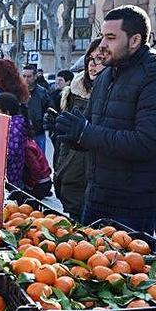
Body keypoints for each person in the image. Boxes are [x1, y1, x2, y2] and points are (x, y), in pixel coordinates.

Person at [51, 5, 156, 233]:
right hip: (94, 198)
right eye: (102, 36)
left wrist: (84, 132)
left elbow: (147, 143)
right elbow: (93, 132)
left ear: (135, 40)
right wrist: (70, 134)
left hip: (131, 209)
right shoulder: (106, 75)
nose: (102, 44)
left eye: (111, 37)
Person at [52, 40, 105, 221]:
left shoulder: (115, 94)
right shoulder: (74, 93)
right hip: (72, 176)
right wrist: (60, 168)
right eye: (90, 58)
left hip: (101, 180)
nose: (92, 64)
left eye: (99, 59)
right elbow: (64, 142)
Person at [22, 64, 51, 153]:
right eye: (24, 76)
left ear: (35, 77)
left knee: (40, 161)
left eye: (29, 76)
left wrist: (45, 121)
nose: (26, 79)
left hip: (39, 132)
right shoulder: (18, 92)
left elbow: (50, 108)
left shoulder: (42, 92)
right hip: (23, 133)